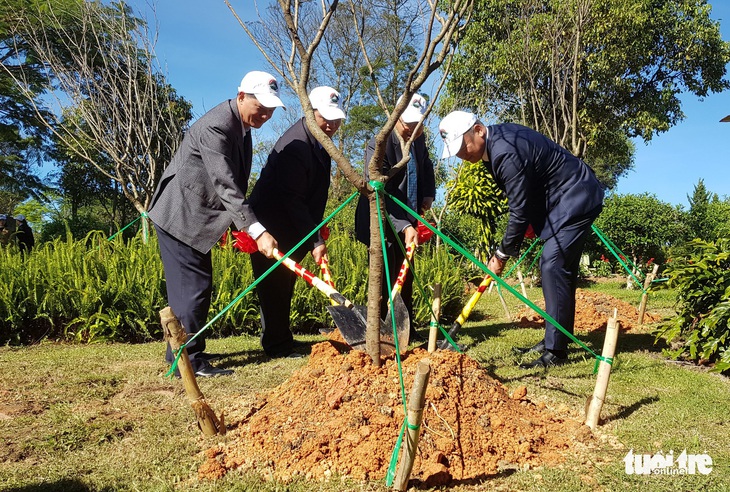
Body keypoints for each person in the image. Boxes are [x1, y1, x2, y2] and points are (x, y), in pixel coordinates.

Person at [439, 111, 605, 368]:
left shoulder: (506, 150)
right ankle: (557, 339)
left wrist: (501, 254)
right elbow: (526, 192)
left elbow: (518, 208)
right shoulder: (498, 144)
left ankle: (556, 352)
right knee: (562, 272)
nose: (461, 154)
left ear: (479, 130)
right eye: (456, 151)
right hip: (562, 199)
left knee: (552, 265)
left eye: (462, 146)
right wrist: (527, 223)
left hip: (576, 196)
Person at [147, 71, 285, 377]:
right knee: (193, 287)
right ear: (240, 97)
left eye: (270, 108)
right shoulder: (217, 125)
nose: (265, 114)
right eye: (260, 106)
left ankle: (181, 352)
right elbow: (225, 184)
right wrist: (256, 229)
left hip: (195, 216)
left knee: (194, 286)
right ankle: (189, 362)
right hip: (181, 215)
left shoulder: (242, 127)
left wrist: (242, 226)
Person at [245, 86, 346, 358]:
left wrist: (316, 231)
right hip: (273, 225)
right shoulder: (296, 146)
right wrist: (315, 240)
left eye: (336, 119)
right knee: (274, 286)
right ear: (310, 113)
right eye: (327, 118)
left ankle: (283, 339)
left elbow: (312, 196)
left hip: (294, 225)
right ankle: (276, 345)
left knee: (285, 283)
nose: (333, 124)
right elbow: (293, 199)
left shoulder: (320, 143)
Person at [354, 94, 436, 341]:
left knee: (405, 273)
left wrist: (428, 194)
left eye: (419, 125)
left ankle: (404, 329)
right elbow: (380, 192)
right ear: (396, 115)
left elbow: (426, 165)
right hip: (381, 219)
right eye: (408, 124)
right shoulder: (377, 145)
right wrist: (403, 226)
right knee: (384, 274)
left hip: (407, 214)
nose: (413, 129)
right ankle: (380, 331)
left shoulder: (417, 139)